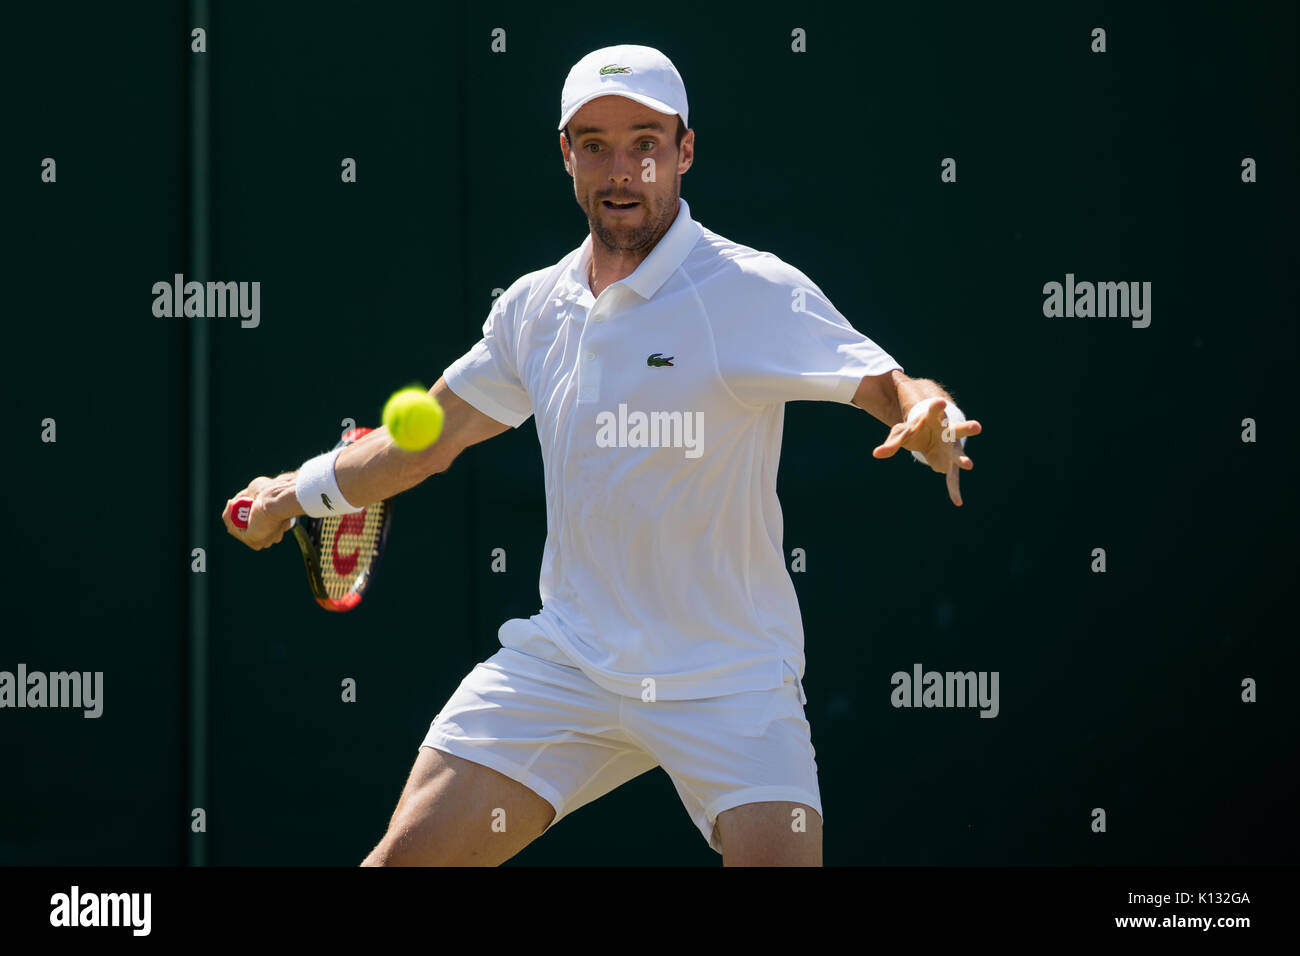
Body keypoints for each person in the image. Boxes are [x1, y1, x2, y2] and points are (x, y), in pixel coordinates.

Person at [223, 44, 982, 866]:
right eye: (595, 144)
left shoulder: (752, 290)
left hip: (730, 682)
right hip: (570, 668)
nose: (624, 170)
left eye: (646, 143)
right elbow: (421, 443)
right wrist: (296, 494)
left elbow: (889, 386)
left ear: (685, 151)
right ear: (566, 156)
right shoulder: (532, 309)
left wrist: (930, 415)